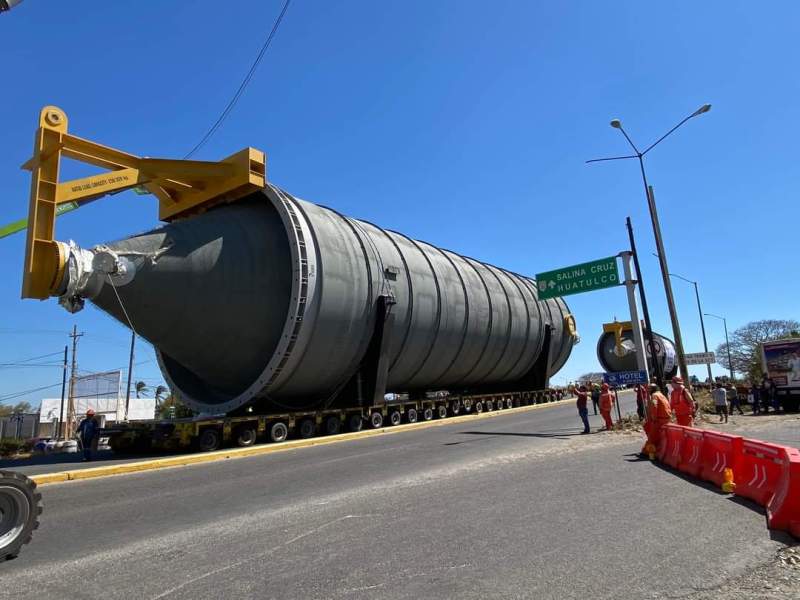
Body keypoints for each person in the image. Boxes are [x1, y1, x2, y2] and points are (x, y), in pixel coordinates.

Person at [642, 383, 672, 456]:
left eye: (649, 389)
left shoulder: (654, 395)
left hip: (659, 419)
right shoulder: (661, 395)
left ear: (652, 389)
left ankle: (647, 452)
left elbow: (655, 406)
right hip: (666, 418)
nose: (648, 390)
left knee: (652, 436)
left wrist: (654, 418)